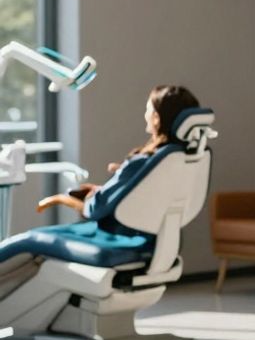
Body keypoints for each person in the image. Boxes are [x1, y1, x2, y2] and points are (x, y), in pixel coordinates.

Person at [37, 84, 201, 232]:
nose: (145, 114)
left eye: (148, 109)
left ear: (156, 118)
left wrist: (61, 199)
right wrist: (105, 188)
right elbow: (145, 195)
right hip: (151, 235)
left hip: (122, 235)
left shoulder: (144, 161)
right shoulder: (179, 156)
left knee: (38, 237)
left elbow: (94, 210)